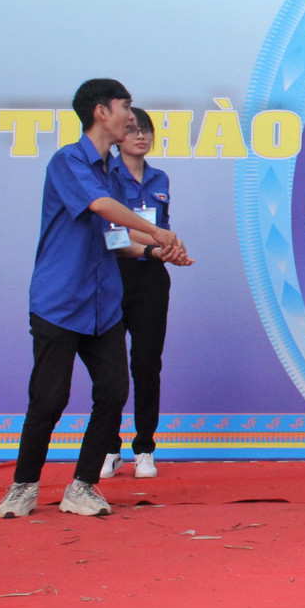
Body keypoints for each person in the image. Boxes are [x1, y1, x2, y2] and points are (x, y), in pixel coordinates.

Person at [0, 79, 186, 519]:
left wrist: (157, 251)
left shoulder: (112, 173)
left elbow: (114, 238)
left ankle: (82, 485)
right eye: (125, 107)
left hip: (103, 306)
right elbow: (100, 207)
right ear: (101, 112)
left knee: (114, 391)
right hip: (60, 301)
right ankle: (23, 485)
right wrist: (157, 231)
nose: (131, 118)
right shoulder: (68, 161)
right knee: (49, 399)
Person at [101, 107, 182, 480]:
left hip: (151, 279)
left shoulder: (159, 178)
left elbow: (162, 228)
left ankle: (145, 448)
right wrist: (151, 248)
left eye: (146, 130)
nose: (140, 136)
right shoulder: (106, 176)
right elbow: (109, 236)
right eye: (133, 129)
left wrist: (171, 251)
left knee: (147, 365)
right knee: (111, 368)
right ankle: (108, 447)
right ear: (119, 135)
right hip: (113, 277)